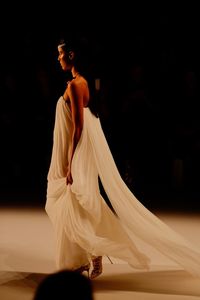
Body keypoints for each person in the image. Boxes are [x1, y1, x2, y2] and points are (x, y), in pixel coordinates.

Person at [45, 33, 200, 280]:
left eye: (60, 53)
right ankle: (85, 257)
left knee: (72, 201)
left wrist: (70, 162)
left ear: (72, 55)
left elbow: (78, 127)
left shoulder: (76, 86)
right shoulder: (82, 83)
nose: (58, 58)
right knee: (76, 202)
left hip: (76, 153)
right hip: (77, 151)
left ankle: (90, 254)